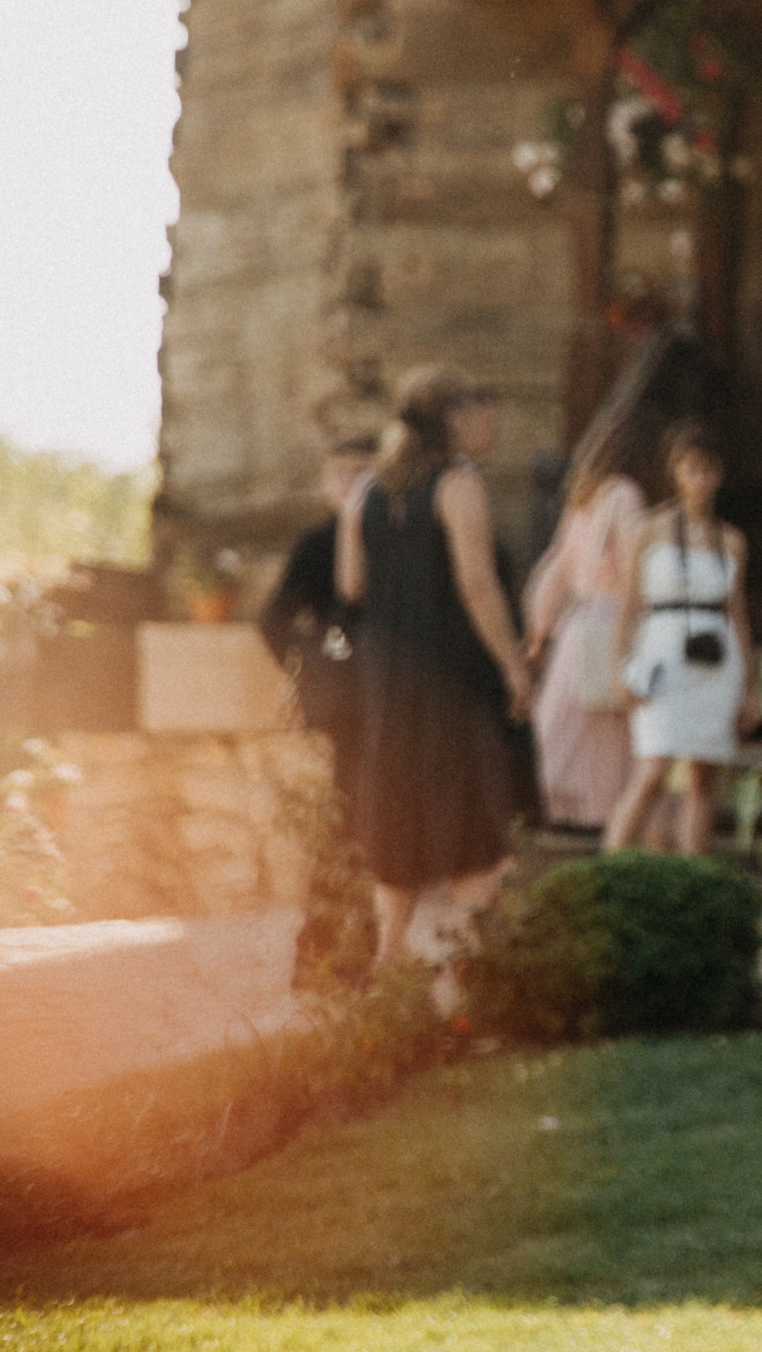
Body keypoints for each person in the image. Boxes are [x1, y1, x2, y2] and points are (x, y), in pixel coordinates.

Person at [335, 364, 536, 965]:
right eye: (482, 406)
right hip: (451, 676)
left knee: (397, 810)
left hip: (386, 677)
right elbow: (478, 586)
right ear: (454, 419)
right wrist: (513, 667)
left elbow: (351, 585)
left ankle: (390, 959)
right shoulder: (458, 483)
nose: (492, 420)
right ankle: (485, 970)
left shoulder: (365, 491)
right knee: (470, 816)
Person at [602, 422, 759, 854]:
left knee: (702, 776)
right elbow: (631, 605)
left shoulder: (730, 539)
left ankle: (695, 873)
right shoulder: (650, 530)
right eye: (692, 468)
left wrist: (749, 686)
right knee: (652, 769)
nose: (700, 479)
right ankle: (610, 868)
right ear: (675, 472)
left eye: (708, 469)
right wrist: (620, 668)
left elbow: (738, 613)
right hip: (663, 652)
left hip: (714, 656)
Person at [522, 437, 648, 829]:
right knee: (613, 724)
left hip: (578, 622)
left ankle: (573, 808)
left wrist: (540, 629)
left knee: (568, 724)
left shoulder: (581, 501)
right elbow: (633, 565)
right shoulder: (625, 495)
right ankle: (613, 811)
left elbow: (555, 568)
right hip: (613, 617)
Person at [258, 436, 374, 810]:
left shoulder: (399, 537)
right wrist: (311, 666)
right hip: (345, 689)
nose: (347, 485)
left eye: (359, 475)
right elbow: (274, 620)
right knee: (350, 796)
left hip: (399, 685)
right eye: (338, 475)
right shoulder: (317, 542)